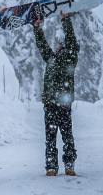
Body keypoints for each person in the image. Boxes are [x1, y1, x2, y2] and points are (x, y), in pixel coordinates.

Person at [32, 10, 79, 176]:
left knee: (67, 137)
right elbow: (42, 45)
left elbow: (72, 42)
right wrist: (37, 28)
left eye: (60, 44)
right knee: (50, 138)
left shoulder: (70, 57)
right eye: (58, 44)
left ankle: (69, 165)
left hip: (64, 105)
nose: (58, 45)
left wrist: (65, 20)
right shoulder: (51, 59)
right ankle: (51, 166)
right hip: (51, 105)